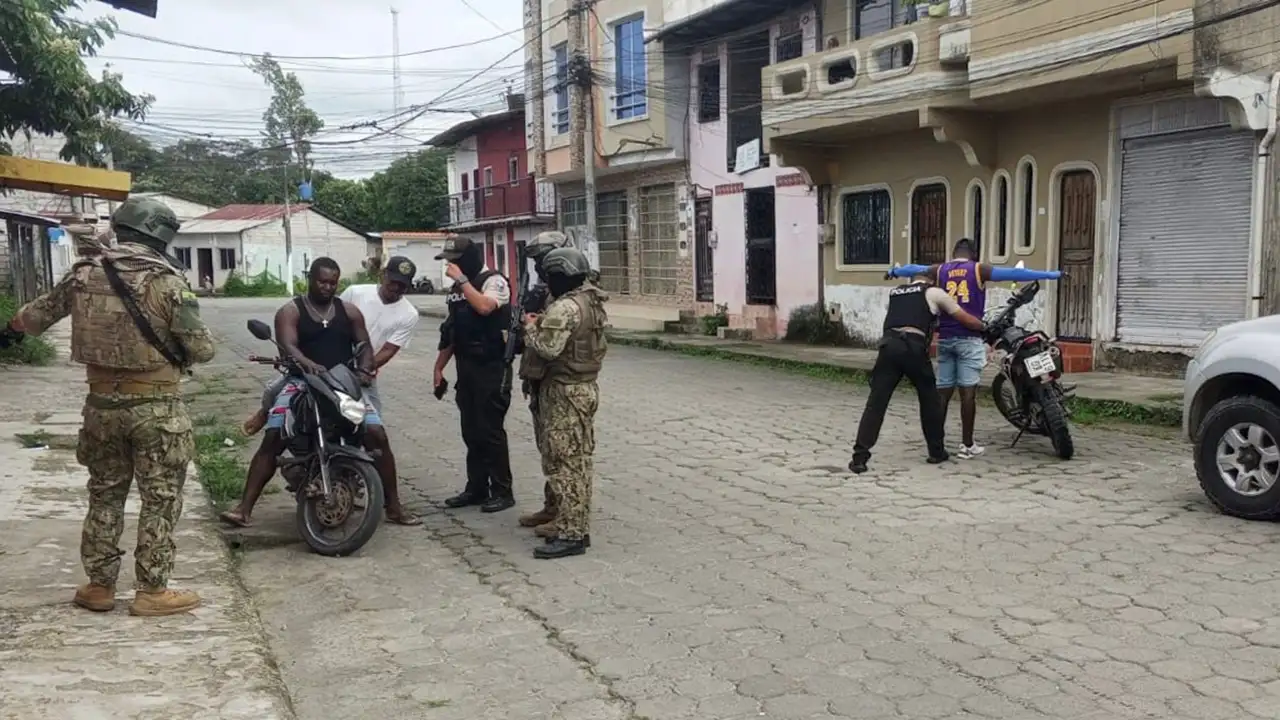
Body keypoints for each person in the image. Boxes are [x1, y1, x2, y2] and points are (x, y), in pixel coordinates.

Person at [0, 196, 216, 616]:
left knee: (104, 493)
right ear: (160, 237)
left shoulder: (83, 276)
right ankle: (152, 591)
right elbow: (202, 349)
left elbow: (33, 318)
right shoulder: (168, 284)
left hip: (100, 405)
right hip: (157, 409)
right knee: (160, 497)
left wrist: (9, 330)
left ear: (121, 229)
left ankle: (99, 586)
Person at [219, 258, 407, 526]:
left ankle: (394, 507)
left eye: (333, 282)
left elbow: (364, 344)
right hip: (301, 381)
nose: (327, 287)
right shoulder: (291, 311)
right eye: (322, 281)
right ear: (310, 279)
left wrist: (365, 370)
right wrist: (309, 366)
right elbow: (288, 346)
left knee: (377, 433)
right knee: (274, 436)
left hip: (341, 383)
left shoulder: (350, 311)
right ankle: (244, 508)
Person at [888, 242, 1063, 458]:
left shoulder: (940, 270)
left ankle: (937, 446)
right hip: (970, 338)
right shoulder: (979, 269)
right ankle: (967, 445)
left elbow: (913, 269)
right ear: (973, 255)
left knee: (943, 393)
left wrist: (894, 271)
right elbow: (1013, 273)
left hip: (945, 339)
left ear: (953, 255)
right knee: (967, 393)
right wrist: (1052, 274)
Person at [849, 275, 985, 475]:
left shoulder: (896, 292)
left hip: (888, 346)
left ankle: (859, 458)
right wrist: (983, 326)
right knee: (930, 400)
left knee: (876, 403)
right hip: (913, 346)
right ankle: (936, 451)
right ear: (930, 281)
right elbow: (962, 316)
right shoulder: (933, 292)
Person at [522, 247, 608, 559]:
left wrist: (531, 327)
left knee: (565, 462)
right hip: (584, 388)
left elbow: (548, 349)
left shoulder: (565, 307)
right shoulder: (592, 300)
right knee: (579, 460)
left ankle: (572, 535)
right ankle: (574, 526)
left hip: (564, 392)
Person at [433, 235, 516, 514]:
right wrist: (438, 367)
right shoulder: (458, 289)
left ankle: (503, 491)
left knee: (490, 430)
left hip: (492, 367)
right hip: (466, 368)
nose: (450, 267)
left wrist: (463, 281)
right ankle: (477, 488)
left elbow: (484, 307)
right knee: (471, 430)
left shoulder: (495, 281)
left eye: (454, 262)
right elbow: (452, 331)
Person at [515, 230, 574, 535]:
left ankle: (567, 515)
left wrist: (531, 327)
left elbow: (552, 344)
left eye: (542, 259)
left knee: (563, 453)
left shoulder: (570, 292)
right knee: (548, 450)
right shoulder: (547, 291)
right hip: (540, 380)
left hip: (562, 383)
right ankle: (552, 507)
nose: (538, 267)